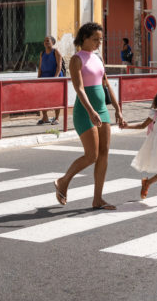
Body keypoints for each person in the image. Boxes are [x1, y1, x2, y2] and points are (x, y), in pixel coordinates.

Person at [53, 22, 126, 210]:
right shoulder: (77, 59)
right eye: (95, 39)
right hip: (85, 111)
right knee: (91, 155)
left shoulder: (98, 58)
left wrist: (117, 108)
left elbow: (106, 84)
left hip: (102, 109)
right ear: (84, 38)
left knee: (103, 154)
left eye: (100, 39)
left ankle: (98, 199)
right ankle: (63, 181)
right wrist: (90, 111)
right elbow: (78, 88)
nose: (98, 43)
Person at [37, 36, 63, 125]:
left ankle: (57, 118)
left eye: (48, 41)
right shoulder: (42, 53)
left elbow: (59, 66)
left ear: (53, 42)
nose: (46, 42)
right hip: (44, 78)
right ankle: (45, 117)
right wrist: (38, 78)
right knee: (42, 98)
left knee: (56, 98)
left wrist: (55, 78)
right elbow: (40, 67)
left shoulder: (56, 52)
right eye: (45, 41)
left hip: (54, 78)